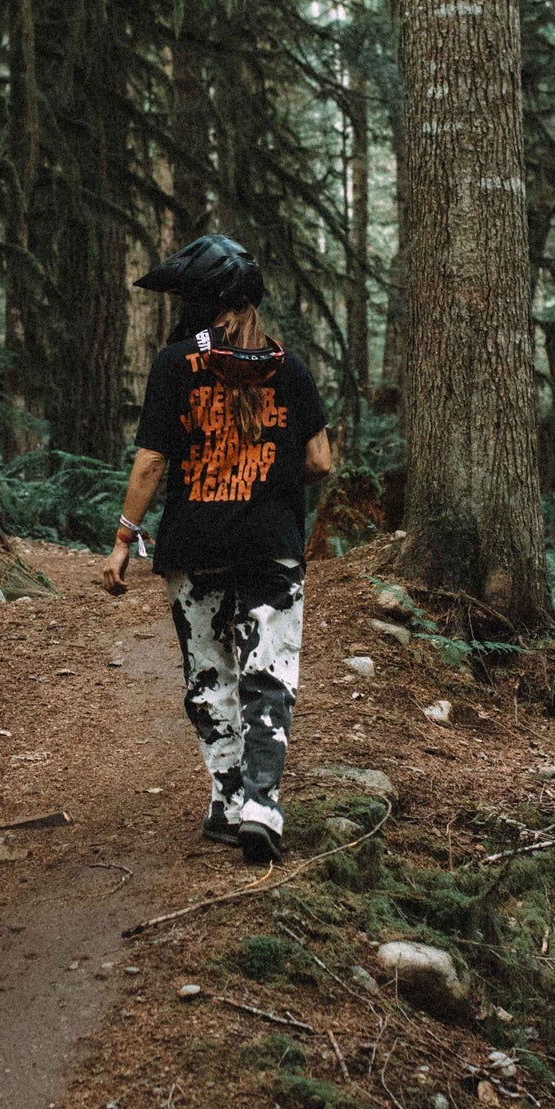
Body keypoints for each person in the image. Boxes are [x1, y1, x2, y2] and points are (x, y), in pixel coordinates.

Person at [102, 235, 332, 864]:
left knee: (210, 673)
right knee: (269, 674)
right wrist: (268, 477)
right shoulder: (292, 369)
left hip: (194, 543)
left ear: (204, 303)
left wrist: (124, 539)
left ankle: (226, 802)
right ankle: (262, 803)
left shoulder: (175, 364)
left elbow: (151, 462)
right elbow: (320, 460)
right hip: (271, 544)